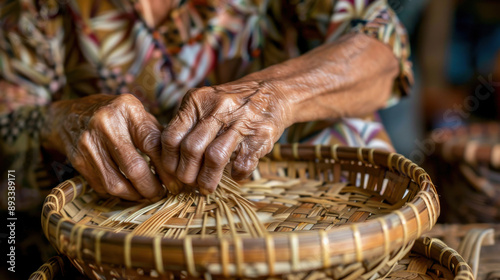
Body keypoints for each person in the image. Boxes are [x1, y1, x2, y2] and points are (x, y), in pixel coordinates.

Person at [0, 0, 412, 208]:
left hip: (289, 190)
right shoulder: (39, 9)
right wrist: (62, 121)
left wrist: (273, 96)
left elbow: (382, 47)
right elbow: (9, 122)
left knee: (351, 133)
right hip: (123, 211)